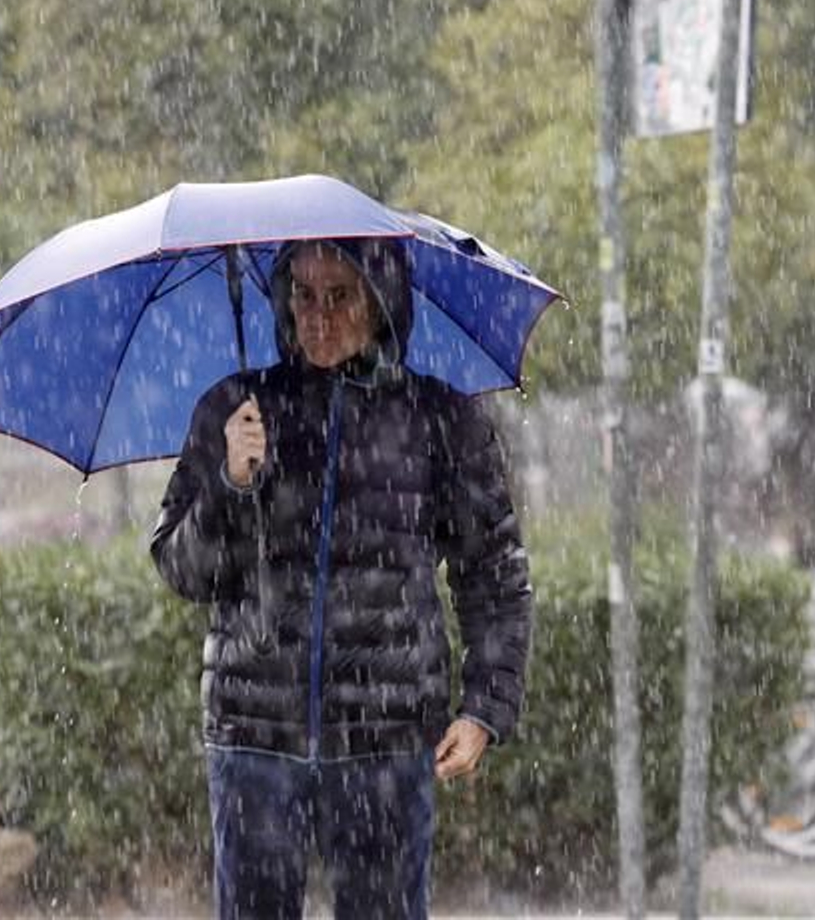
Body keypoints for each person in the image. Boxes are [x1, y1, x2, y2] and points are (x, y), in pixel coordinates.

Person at [151, 237, 533, 919]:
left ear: (380, 302)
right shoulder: (235, 411)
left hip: (385, 746)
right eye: (303, 295)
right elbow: (182, 570)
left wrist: (484, 710)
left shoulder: (440, 420)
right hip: (254, 741)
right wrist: (231, 486)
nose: (319, 317)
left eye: (340, 296)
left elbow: (495, 576)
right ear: (281, 299)